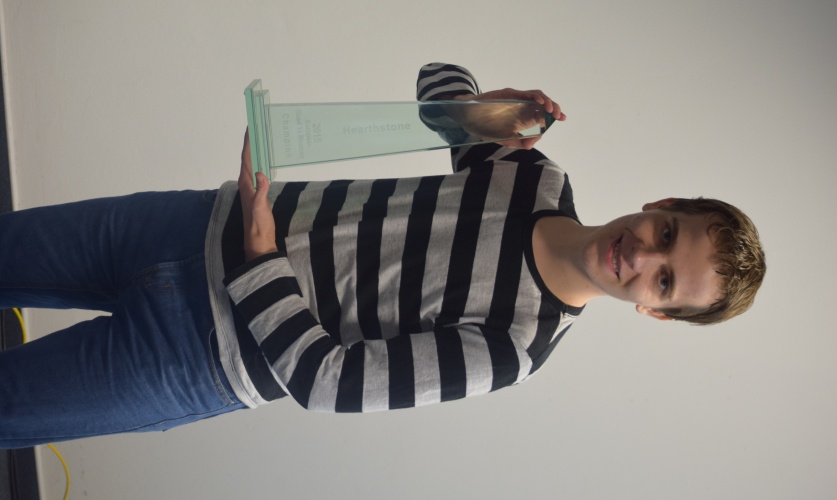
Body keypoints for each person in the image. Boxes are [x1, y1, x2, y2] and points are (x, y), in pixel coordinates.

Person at [0, 63, 766, 448]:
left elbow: (328, 383)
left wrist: (261, 262)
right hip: (181, 226)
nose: (642, 255)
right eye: (667, 234)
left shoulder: (514, 347)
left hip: (194, 356)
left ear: (655, 312)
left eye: (664, 281)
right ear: (663, 205)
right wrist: (481, 109)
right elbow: (435, 86)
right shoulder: (533, 177)